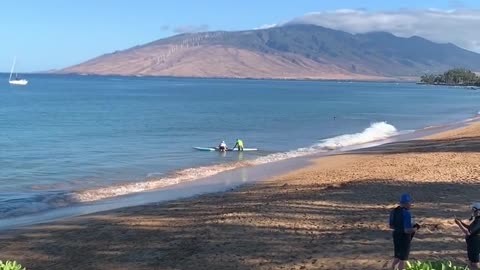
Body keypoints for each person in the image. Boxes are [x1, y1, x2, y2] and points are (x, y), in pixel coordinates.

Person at [389, 193, 419, 270]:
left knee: (397, 256)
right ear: (406, 203)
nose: (410, 205)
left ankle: (392, 268)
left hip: (396, 235)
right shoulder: (406, 213)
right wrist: (415, 228)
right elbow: (407, 230)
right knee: (403, 259)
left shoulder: (394, 211)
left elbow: (391, 226)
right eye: (409, 203)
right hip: (404, 238)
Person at [454, 202, 480, 269]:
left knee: (474, 263)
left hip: (475, 243)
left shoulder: (479, 221)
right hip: (473, 243)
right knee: (472, 261)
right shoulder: (477, 219)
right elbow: (470, 228)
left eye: (474, 210)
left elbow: (468, 232)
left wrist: (459, 224)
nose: (472, 212)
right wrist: (461, 222)